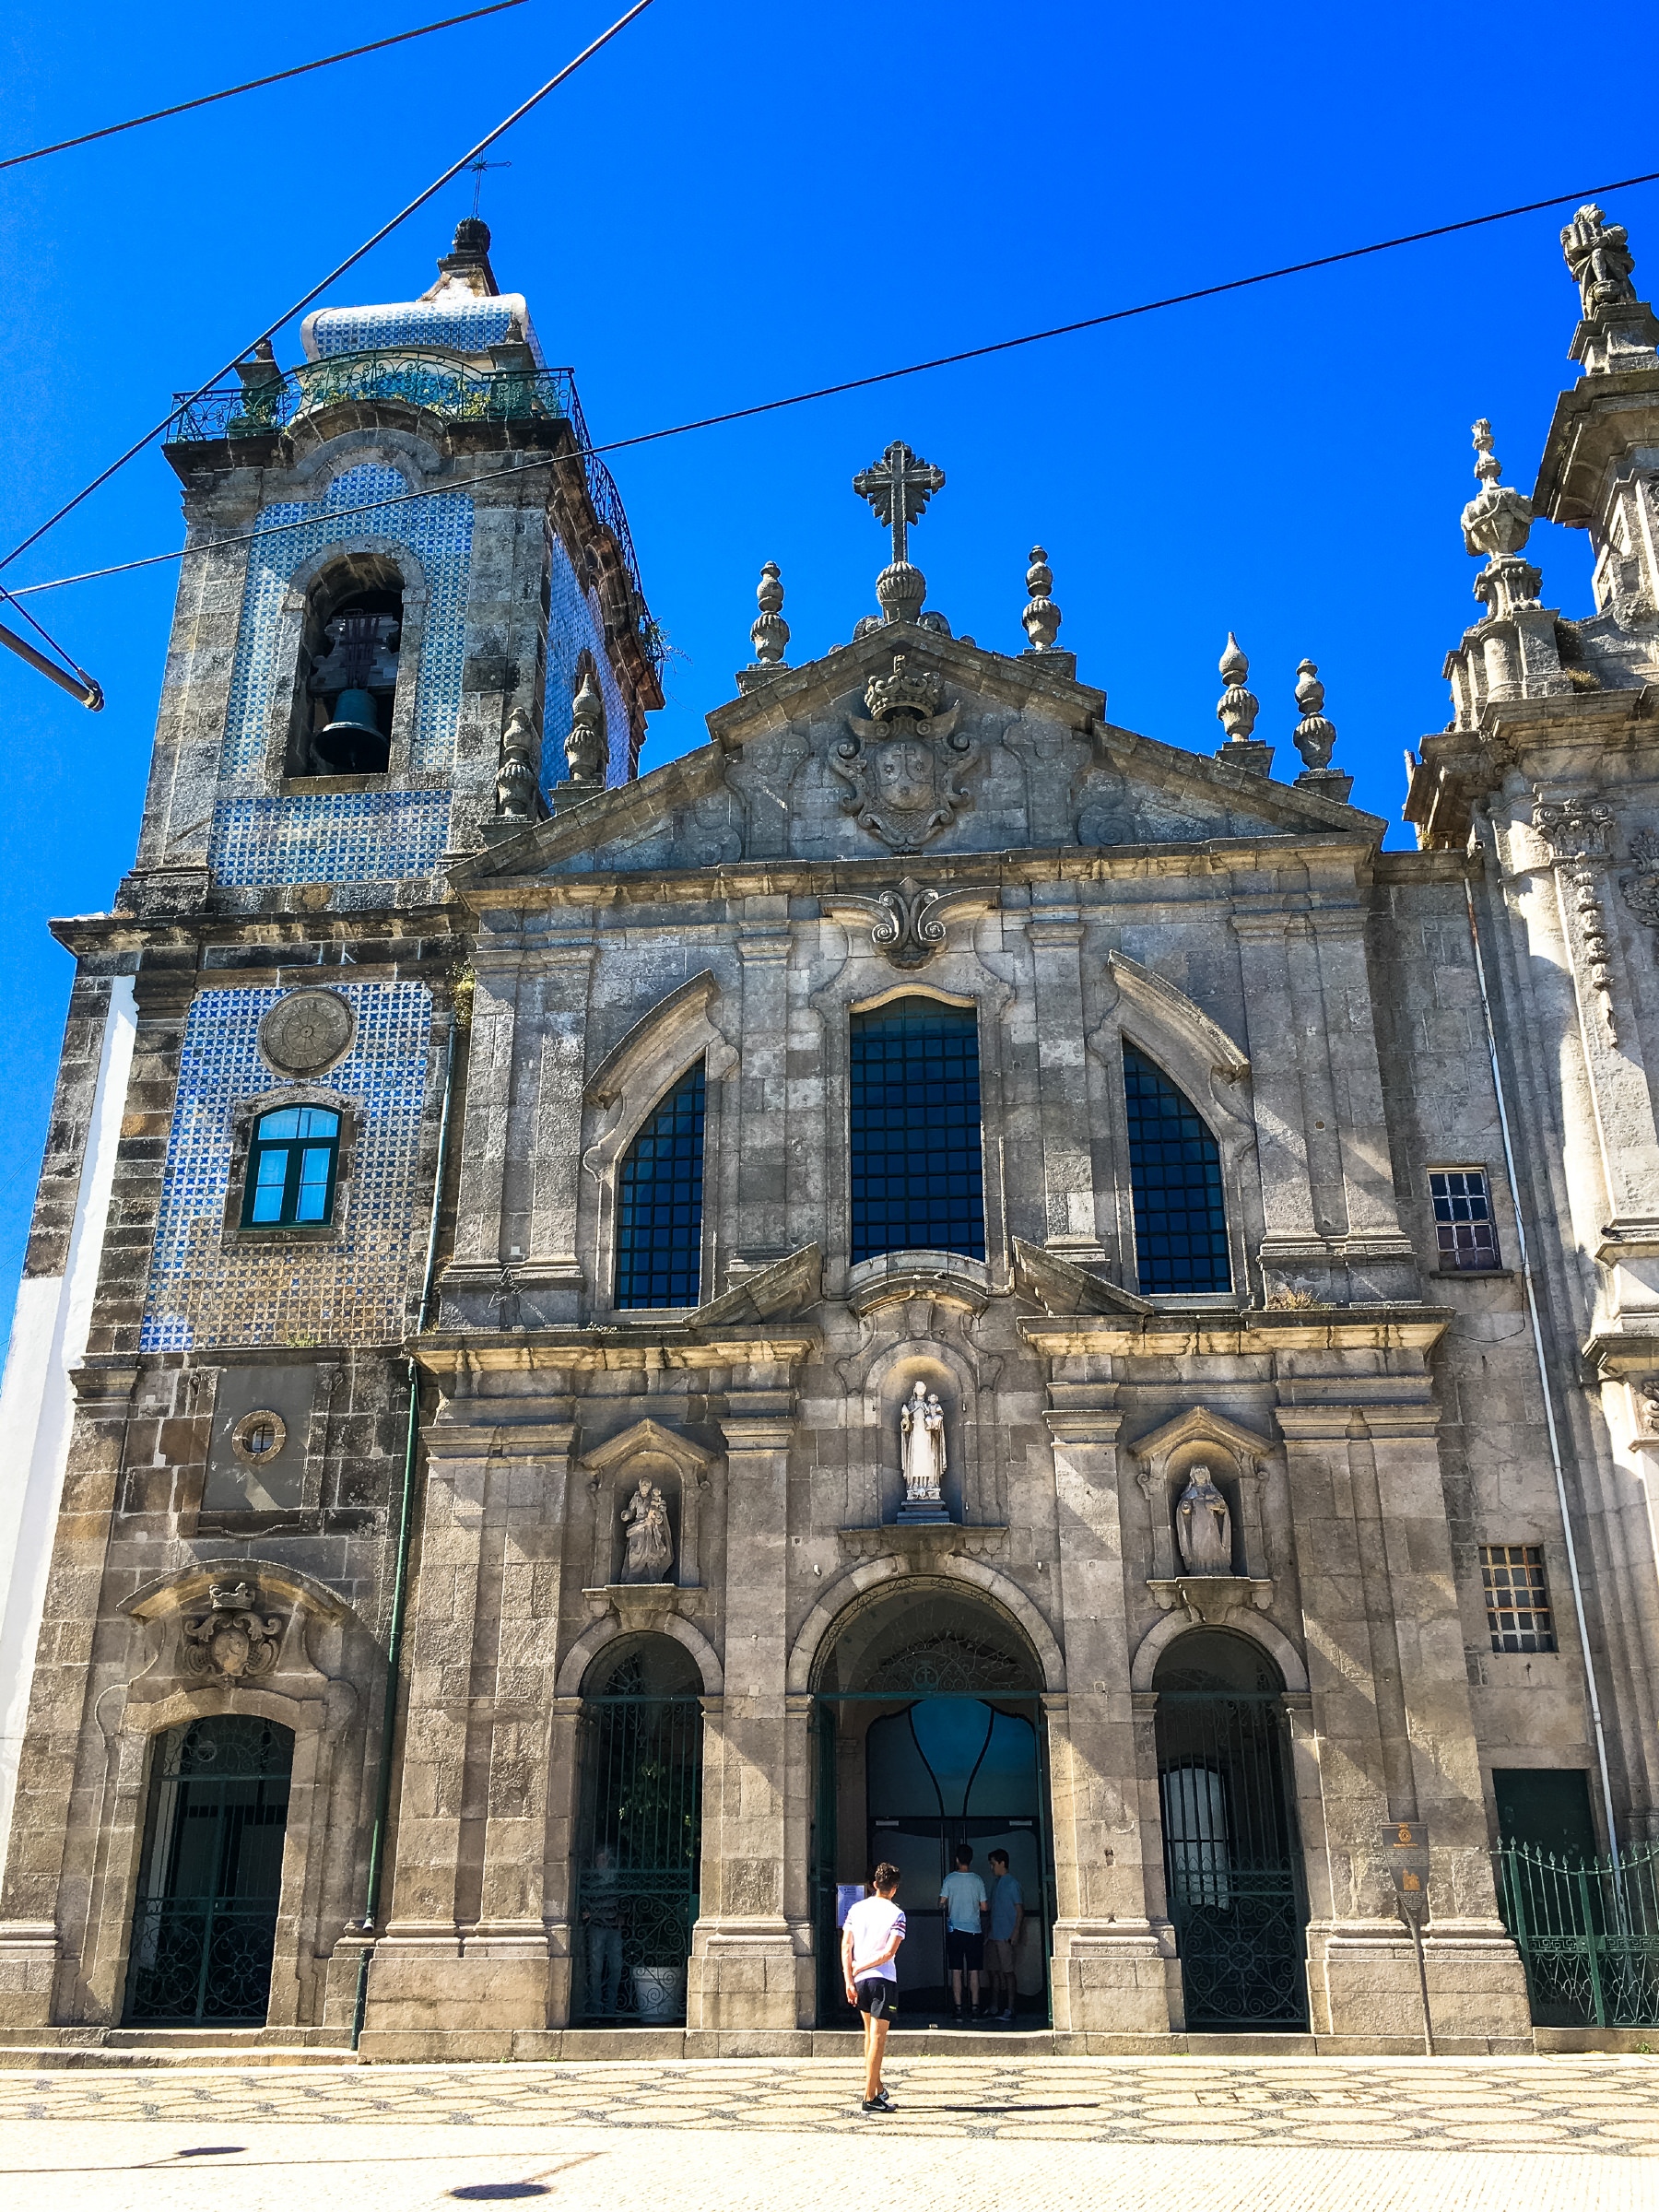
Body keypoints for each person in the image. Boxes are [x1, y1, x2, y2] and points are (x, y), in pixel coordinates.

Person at [841, 1861, 906, 2113]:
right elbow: (889, 1952)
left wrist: (850, 1977)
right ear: (894, 1889)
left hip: (860, 1980)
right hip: (883, 1979)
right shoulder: (896, 1914)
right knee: (878, 2039)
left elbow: (846, 1947)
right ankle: (869, 2096)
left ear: (874, 1884)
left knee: (869, 2035)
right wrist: (863, 1966)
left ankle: (877, 2086)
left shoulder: (856, 1910)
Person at [939, 1841, 989, 2021]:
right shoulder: (977, 1880)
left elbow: (941, 1902)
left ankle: (958, 2008)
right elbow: (984, 1907)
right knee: (974, 1970)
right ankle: (975, 2007)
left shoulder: (950, 1879)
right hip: (974, 1929)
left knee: (956, 1970)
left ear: (957, 1859)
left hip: (956, 1930)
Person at [581, 1842, 624, 2017]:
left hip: (614, 1928)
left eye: (605, 1859)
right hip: (597, 1928)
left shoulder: (617, 1881)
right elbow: (584, 1902)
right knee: (596, 1969)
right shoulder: (591, 1881)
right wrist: (586, 1912)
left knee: (616, 1967)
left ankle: (611, 2009)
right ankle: (596, 2010)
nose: (602, 1863)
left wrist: (622, 1914)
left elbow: (625, 1900)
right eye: (599, 1859)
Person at [984, 1848, 1024, 2021]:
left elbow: (1019, 1910)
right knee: (993, 1971)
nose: (991, 1868)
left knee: (1008, 1972)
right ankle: (994, 2006)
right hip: (994, 1934)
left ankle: (1010, 2008)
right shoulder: (996, 1882)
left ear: (1002, 1863)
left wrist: (1015, 1932)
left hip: (1006, 1935)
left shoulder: (1012, 1883)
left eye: (993, 1864)